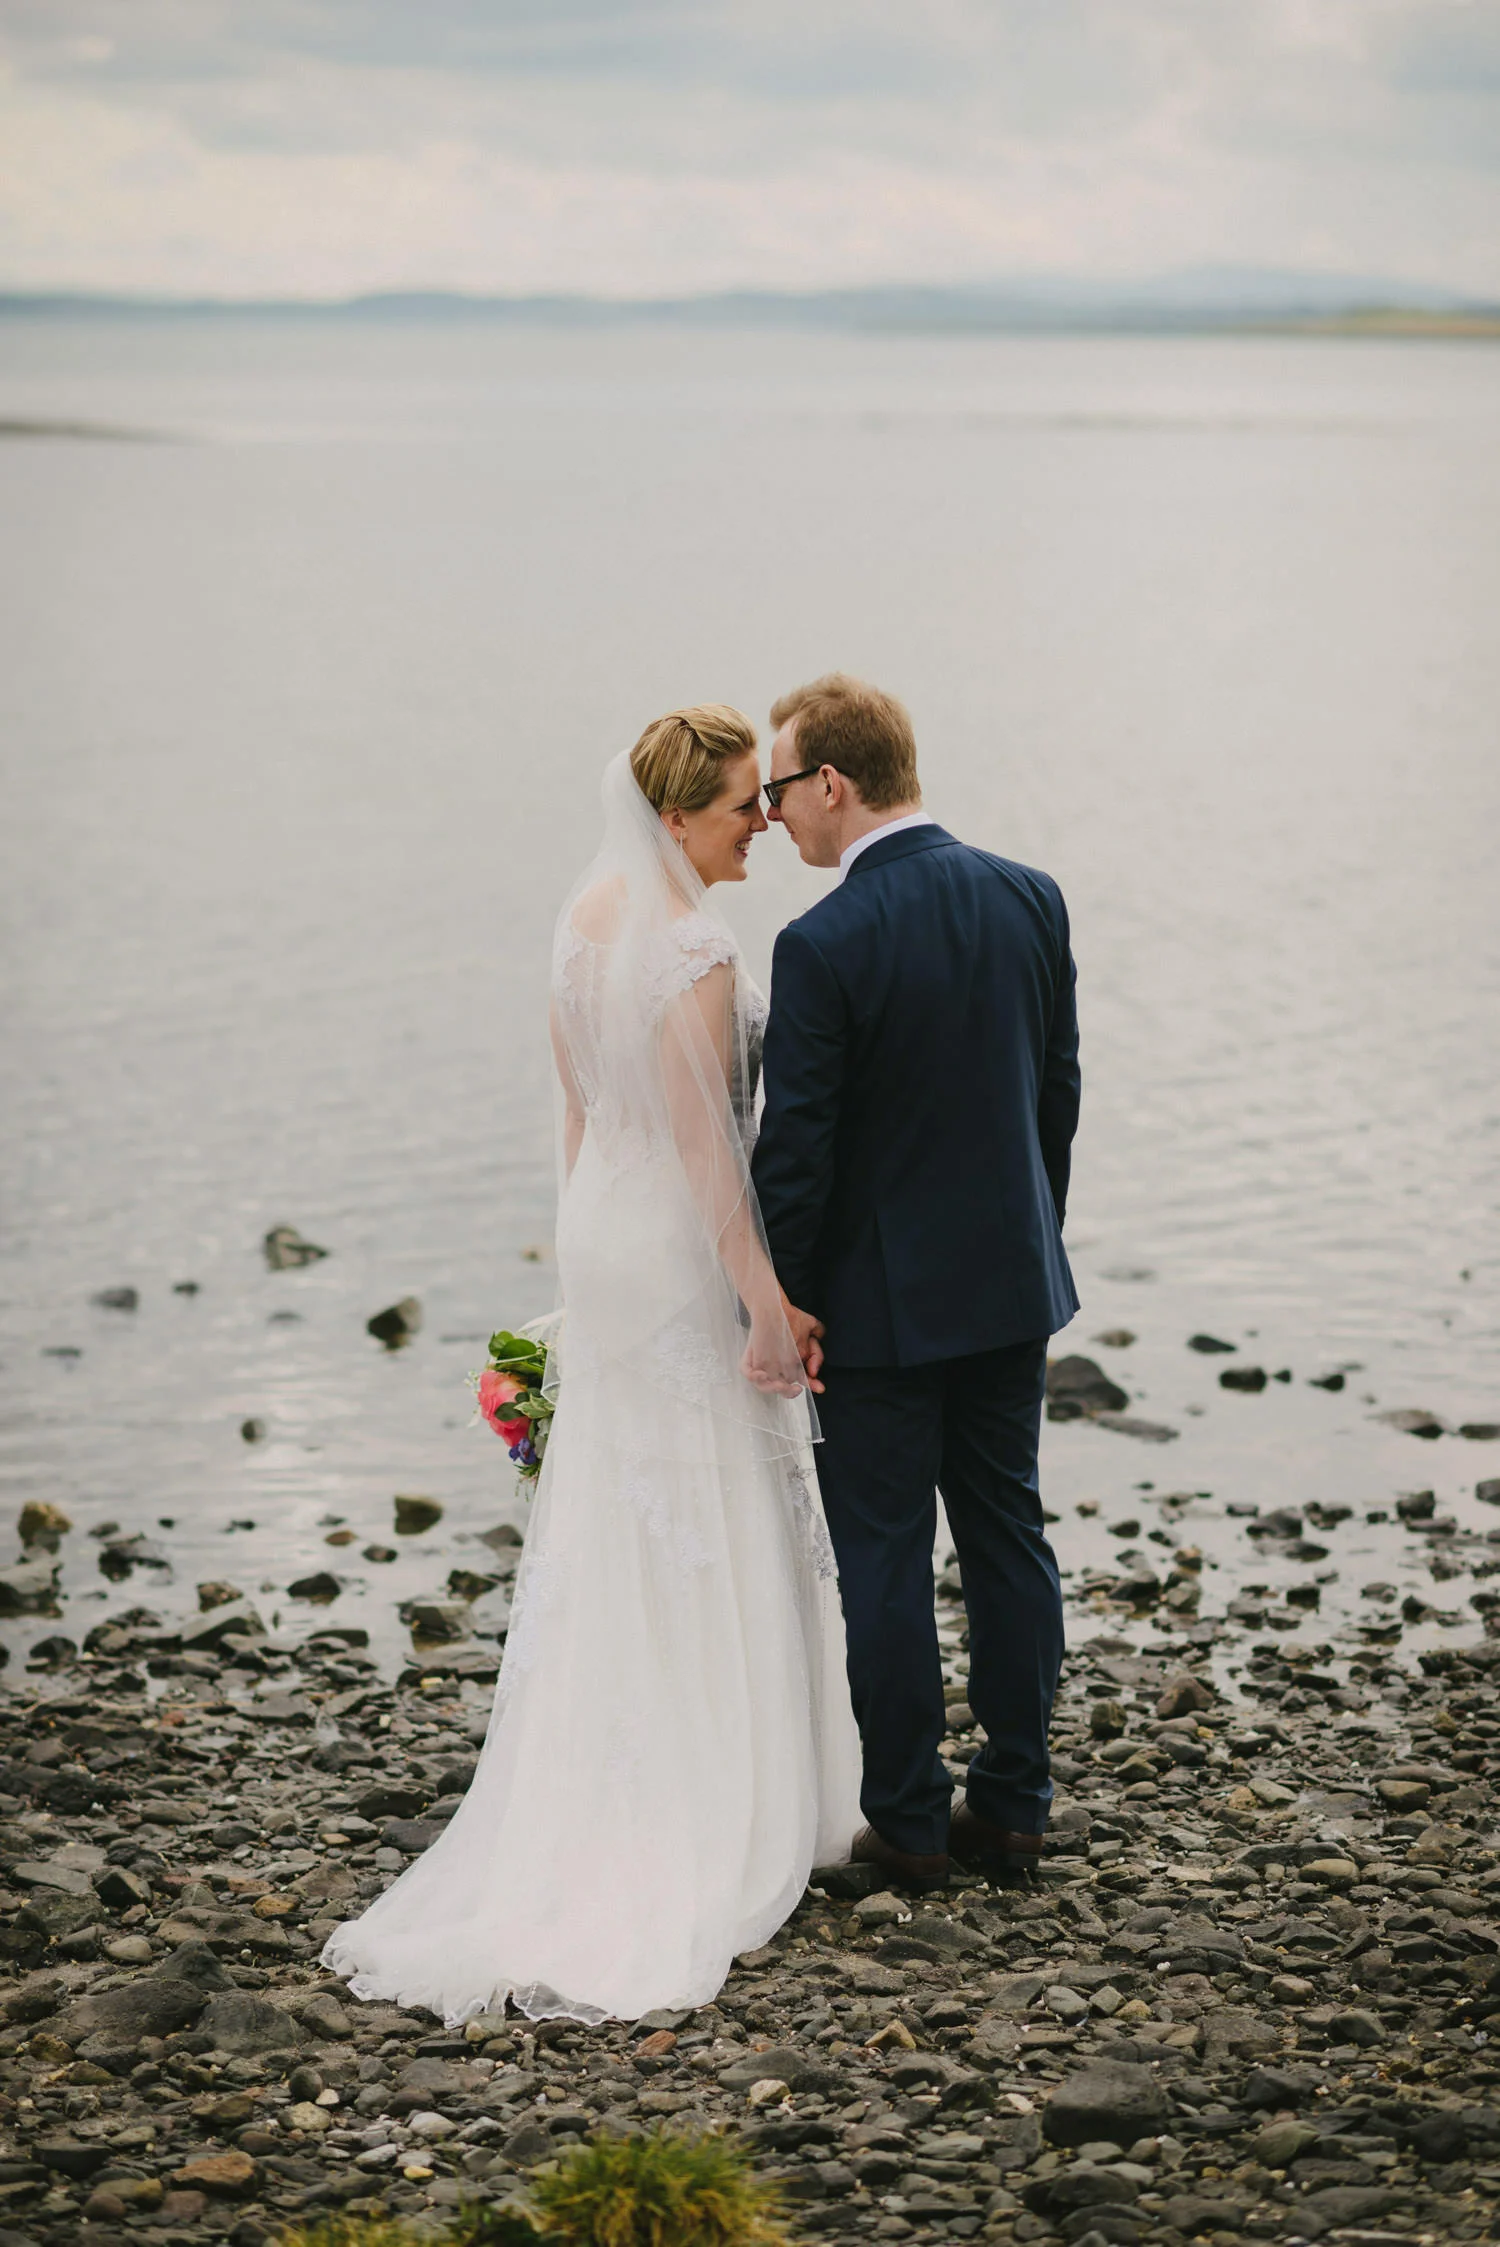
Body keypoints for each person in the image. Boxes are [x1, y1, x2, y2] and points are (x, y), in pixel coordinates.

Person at [323, 706, 861, 2025]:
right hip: (676, 1246)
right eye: (743, 804)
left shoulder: (585, 914)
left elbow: (575, 1102)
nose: (764, 822)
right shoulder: (693, 948)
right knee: (710, 1492)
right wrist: (765, 1306)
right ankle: (714, 1788)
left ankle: (609, 1761)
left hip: (603, 1232)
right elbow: (708, 1152)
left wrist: (580, 1262)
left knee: (625, 1502)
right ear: (680, 815)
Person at [752, 673, 1080, 1895]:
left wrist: (780, 1297)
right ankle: (1018, 1809)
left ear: (832, 783)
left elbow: (801, 1152)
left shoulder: (825, 940)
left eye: (784, 789)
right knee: (1008, 1533)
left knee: (884, 1555)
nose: (777, 815)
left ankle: (908, 1823)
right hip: (1009, 1287)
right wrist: (1025, 1242)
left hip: (878, 1313)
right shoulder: (1028, 898)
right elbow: (1057, 1098)